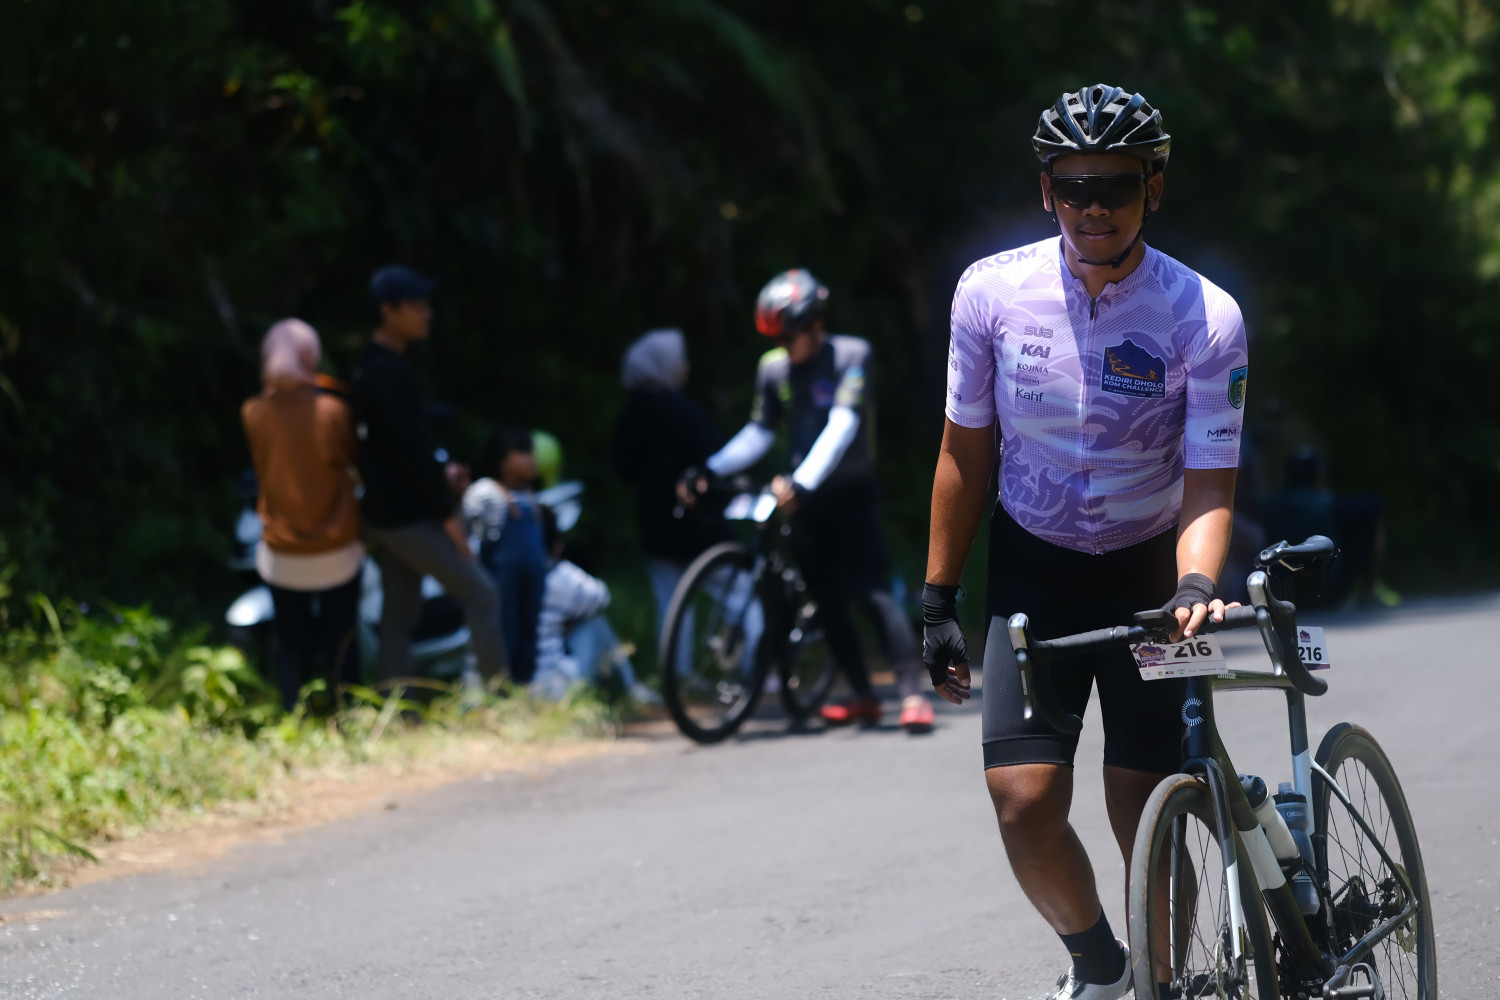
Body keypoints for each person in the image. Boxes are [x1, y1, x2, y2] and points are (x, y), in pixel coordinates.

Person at [921, 85, 1247, 1000]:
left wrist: (1194, 584)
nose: (1093, 207)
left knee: (1148, 816)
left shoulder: (1204, 315)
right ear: (1046, 191)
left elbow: (1210, 479)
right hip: (1034, 568)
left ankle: (1164, 985)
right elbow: (964, 451)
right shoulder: (990, 293)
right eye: (1074, 187)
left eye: (1116, 187)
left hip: (1152, 577)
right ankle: (1099, 964)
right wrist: (939, 597)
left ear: (1154, 190)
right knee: (1022, 801)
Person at [698, 269, 932, 733]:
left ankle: (911, 695)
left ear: (815, 324)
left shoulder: (851, 355)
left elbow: (842, 426)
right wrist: (710, 468)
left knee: (873, 594)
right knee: (828, 601)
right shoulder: (773, 369)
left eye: (789, 337)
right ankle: (863, 695)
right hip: (804, 503)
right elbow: (760, 431)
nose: (783, 347)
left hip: (850, 495)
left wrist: (800, 482)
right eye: (776, 340)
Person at [350, 265, 506, 684]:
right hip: (409, 517)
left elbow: (394, 450)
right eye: (416, 304)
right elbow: (411, 456)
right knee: (483, 594)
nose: (427, 312)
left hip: (387, 515)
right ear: (388, 310)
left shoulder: (372, 366)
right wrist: (449, 518)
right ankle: (500, 697)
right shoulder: (388, 372)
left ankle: (399, 705)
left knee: (399, 615)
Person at [241, 319, 363, 713]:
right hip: (338, 548)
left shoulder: (254, 412)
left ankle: (293, 711)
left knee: (290, 642)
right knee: (341, 637)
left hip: (282, 552)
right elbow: (351, 459)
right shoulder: (335, 409)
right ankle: (346, 710)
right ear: (311, 356)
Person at [612, 329, 725, 649]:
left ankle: (677, 671)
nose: (685, 366)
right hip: (701, 526)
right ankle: (758, 664)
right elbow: (718, 461)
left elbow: (623, 469)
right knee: (737, 594)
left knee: (672, 606)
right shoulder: (685, 412)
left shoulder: (632, 414)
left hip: (655, 525)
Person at [531, 506, 650, 702]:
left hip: (517, 684)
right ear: (557, 545)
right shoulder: (558, 575)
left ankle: (631, 690)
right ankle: (631, 689)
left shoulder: (502, 574)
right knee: (594, 621)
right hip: (555, 689)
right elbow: (602, 596)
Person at [462, 425, 549, 683]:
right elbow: (464, 529)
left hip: (531, 579)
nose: (532, 460)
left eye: (532, 453)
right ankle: (498, 684)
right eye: (523, 453)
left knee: (529, 630)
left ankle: (525, 684)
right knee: (503, 630)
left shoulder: (531, 496)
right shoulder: (485, 492)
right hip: (500, 579)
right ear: (501, 459)